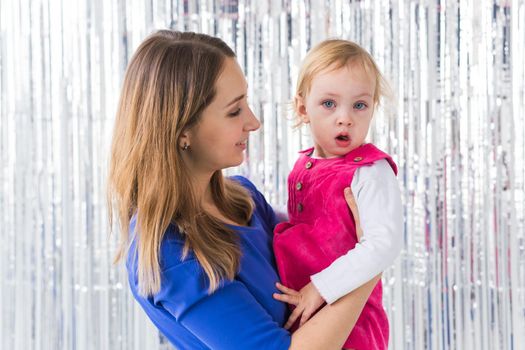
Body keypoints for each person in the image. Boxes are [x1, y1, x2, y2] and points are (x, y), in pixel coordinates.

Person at [107, 30, 380, 349]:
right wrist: (370, 259)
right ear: (183, 130)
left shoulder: (244, 199)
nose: (253, 121)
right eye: (234, 110)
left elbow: (320, 253)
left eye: (246, 102)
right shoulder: (170, 252)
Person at [272, 39, 403, 350]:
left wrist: (321, 287)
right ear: (303, 108)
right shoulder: (305, 165)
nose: (345, 117)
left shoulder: (370, 171)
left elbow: (384, 244)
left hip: (351, 319)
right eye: (329, 104)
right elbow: (308, 224)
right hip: (306, 315)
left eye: (359, 105)